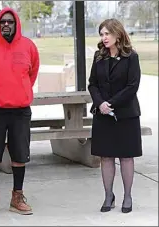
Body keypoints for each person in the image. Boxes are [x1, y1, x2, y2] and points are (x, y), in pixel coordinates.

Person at [0, 8, 39, 217]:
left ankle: (17, 197)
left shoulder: (28, 46)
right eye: (3, 21)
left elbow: (32, 73)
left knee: (20, 155)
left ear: (16, 24)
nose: (6, 25)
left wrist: (18, 92)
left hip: (20, 111)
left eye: (10, 22)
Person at [88, 18, 142, 214]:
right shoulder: (98, 56)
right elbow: (92, 84)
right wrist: (100, 103)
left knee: (126, 157)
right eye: (101, 34)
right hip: (102, 115)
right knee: (106, 157)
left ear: (117, 34)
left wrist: (111, 103)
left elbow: (132, 86)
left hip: (126, 115)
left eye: (107, 34)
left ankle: (127, 196)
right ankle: (108, 195)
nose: (104, 38)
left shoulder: (131, 57)